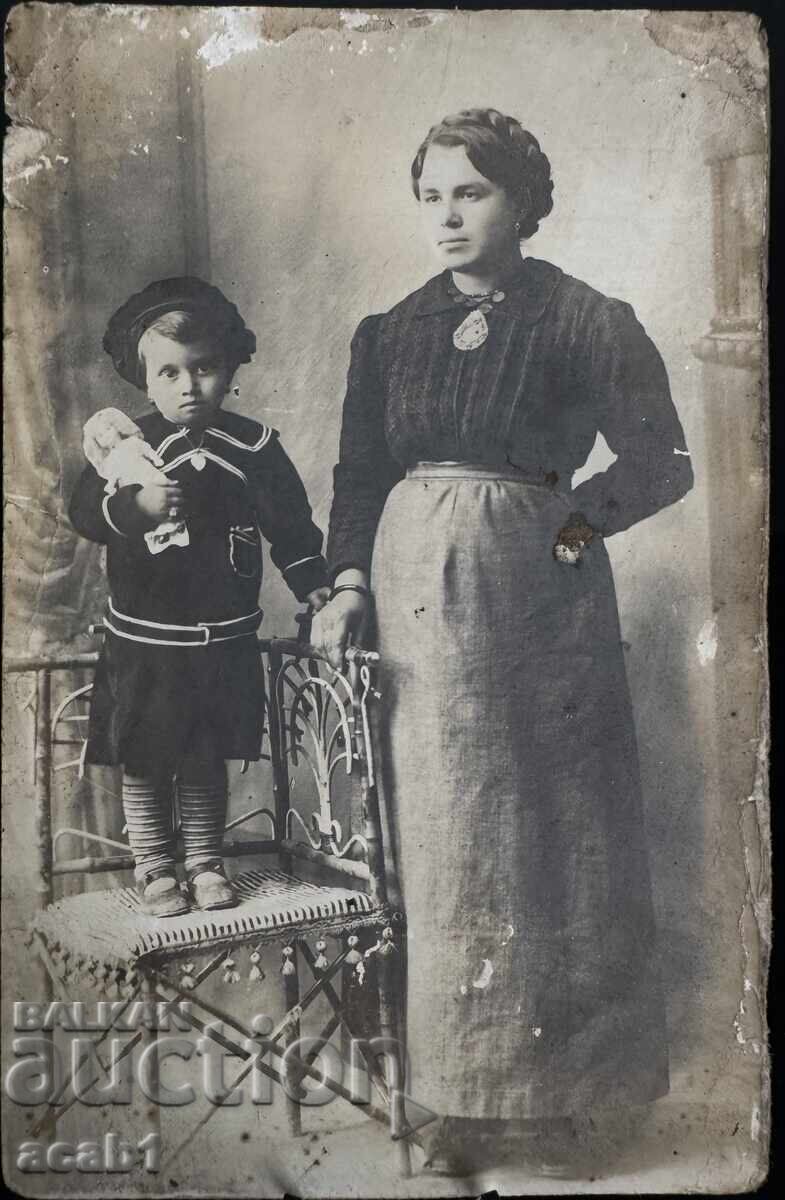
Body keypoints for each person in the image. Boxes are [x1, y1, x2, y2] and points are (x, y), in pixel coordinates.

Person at [312, 108, 694, 1173]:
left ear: (521, 201)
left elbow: (660, 462)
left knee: (554, 834)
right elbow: (356, 478)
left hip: (538, 608)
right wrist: (346, 583)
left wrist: (566, 530)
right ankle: (451, 1100)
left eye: (469, 193)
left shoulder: (585, 320)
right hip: (411, 606)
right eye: (430, 194)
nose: (445, 215)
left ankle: (575, 1102)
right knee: (440, 840)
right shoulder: (388, 332)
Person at [69, 277, 329, 918]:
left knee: (204, 755)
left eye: (205, 368)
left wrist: (314, 583)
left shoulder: (255, 449)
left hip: (223, 641)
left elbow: (291, 528)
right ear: (145, 379)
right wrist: (137, 504)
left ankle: (207, 862)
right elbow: (84, 512)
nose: (189, 386)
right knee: (146, 759)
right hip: (145, 643)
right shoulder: (129, 451)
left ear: (230, 367)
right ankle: (157, 868)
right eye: (169, 373)